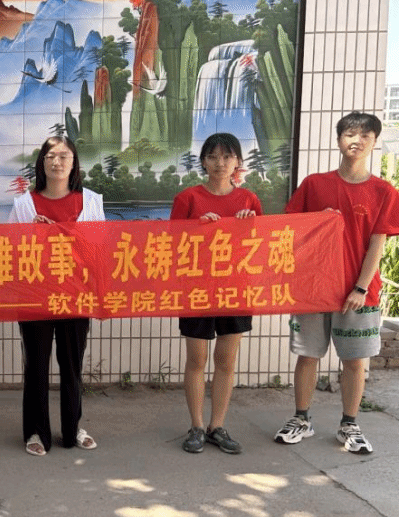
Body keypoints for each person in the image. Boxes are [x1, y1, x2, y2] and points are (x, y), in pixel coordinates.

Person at [275, 112, 399, 454]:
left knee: (355, 362)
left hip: (359, 293)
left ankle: (350, 424)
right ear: (338, 139)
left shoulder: (383, 192)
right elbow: (291, 231)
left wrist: (360, 287)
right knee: (307, 356)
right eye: (349, 134)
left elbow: (377, 243)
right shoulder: (314, 184)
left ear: (374, 142)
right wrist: (317, 222)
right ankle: (301, 418)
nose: (356, 141)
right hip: (314, 290)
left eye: (364, 136)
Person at [8, 136, 102, 456]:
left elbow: (99, 250)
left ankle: (73, 428)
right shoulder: (24, 205)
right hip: (35, 296)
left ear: (74, 163)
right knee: (36, 365)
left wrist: (69, 236)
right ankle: (36, 431)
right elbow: (9, 252)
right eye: (50, 156)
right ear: (42, 163)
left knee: (72, 365)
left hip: (76, 296)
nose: (57, 162)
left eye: (64, 156)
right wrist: (33, 237)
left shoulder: (91, 201)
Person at [169, 133, 263, 454]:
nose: (220, 163)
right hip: (196, 288)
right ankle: (196, 426)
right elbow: (169, 245)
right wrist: (195, 229)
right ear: (203, 162)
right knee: (196, 359)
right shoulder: (188, 198)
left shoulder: (249, 200)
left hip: (236, 289)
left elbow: (262, 245)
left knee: (226, 360)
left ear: (237, 161)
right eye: (212, 156)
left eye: (227, 156)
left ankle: (217, 426)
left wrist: (249, 225)